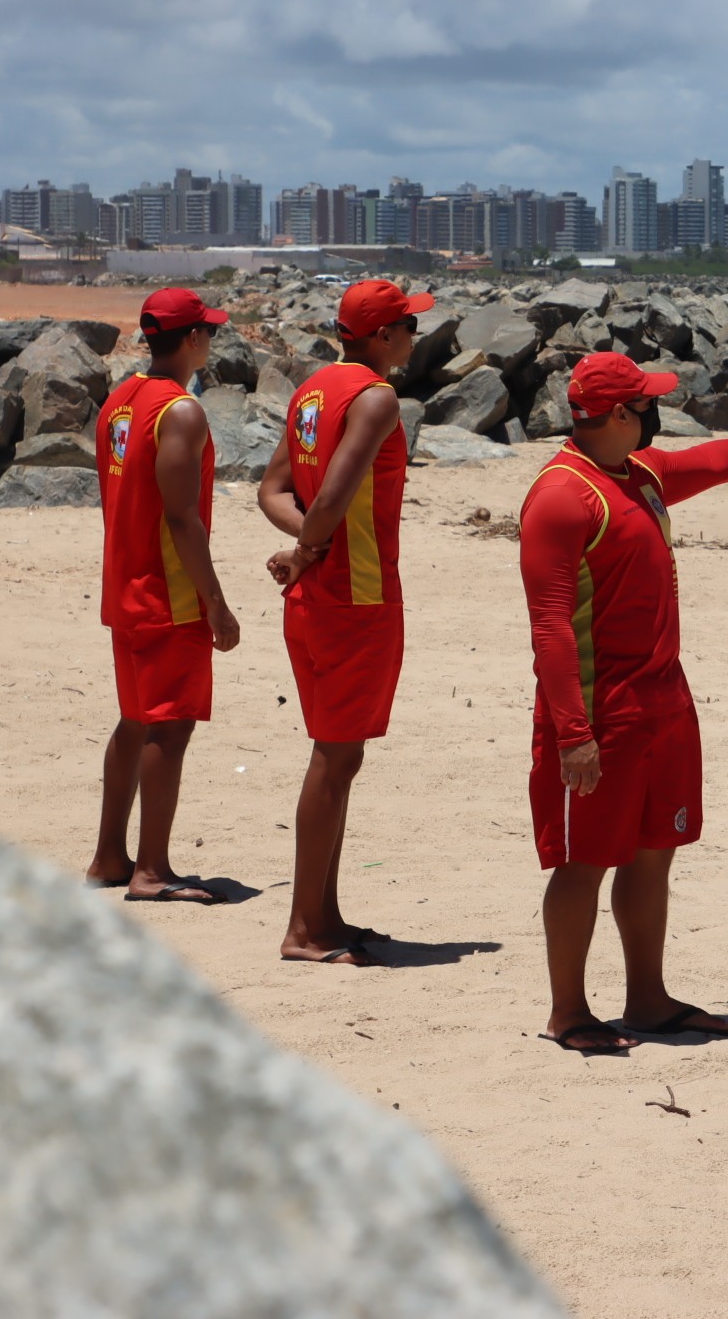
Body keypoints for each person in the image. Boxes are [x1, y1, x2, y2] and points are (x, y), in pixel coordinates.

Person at [518, 351, 728, 1052]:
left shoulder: (643, 475)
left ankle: (647, 999)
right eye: (648, 402)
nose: (659, 413)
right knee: (583, 862)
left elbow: (718, 461)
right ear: (624, 414)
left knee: (654, 851)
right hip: (600, 712)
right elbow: (549, 629)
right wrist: (573, 733)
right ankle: (568, 1012)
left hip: (664, 701)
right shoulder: (563, 496)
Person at [258, 278, 432, 965]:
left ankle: (324, 914)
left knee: (342, 752)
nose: (415, 338)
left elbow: (272, 491)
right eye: (409, 328)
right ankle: (304, 930)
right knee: (333, 757)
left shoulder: (312, 390)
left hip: (320, 598)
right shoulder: (377, 397)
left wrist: (303, 549)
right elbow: (331, 499)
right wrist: (308, 551)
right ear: (384, 336)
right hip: (352, 598)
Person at [89, 287, 242, 904]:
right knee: (168, 727)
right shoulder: (180, 411)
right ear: (193, 340)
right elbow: (183, 519)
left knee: (133, 720)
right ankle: (151, 870)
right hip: (166, 592)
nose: (211, 339)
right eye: (208, 330)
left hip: (124, 583)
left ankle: (108, 856)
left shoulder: (120, 400)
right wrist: (217, 603)